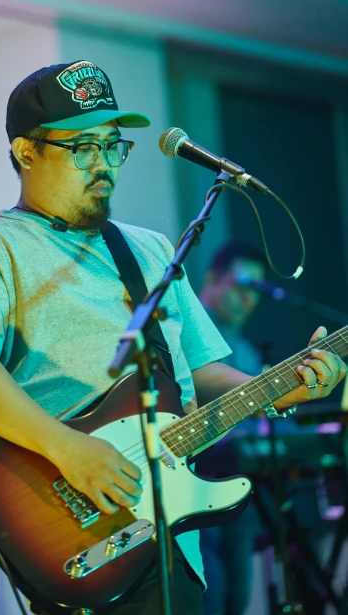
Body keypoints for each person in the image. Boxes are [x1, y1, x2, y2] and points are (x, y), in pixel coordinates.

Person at [0, 60, 346, 615]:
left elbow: (201, 372)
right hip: (72, 523)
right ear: (26, 152)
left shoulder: (148, 249)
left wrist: (283, 388)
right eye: (83, 148)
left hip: (172, 537)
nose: (104, 165)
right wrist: (69, 449)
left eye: (112, 146)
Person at [197, 243, 267, 615]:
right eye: (241, 284)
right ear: (212, 278)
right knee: (211, 594)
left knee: (235, 599)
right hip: (194, 489)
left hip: (238, 490)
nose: (249, 297)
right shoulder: (185, 336)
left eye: (256, 289)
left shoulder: (247, 352)